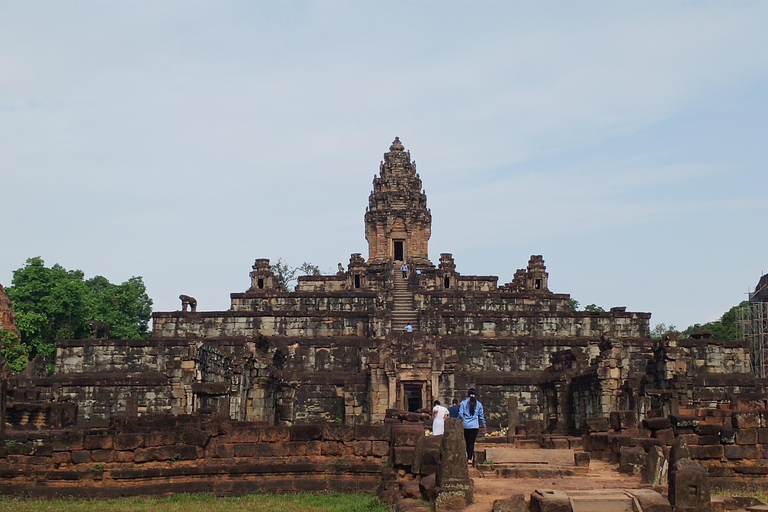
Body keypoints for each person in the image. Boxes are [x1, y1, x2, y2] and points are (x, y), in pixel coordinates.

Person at [458, 388, 486, 463]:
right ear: (476, 396)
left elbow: (460, 414)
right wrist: (484, 426)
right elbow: (481, 416)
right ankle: (470, 457)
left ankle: (468, 455)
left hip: (466, 425)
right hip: (475, 426)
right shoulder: (479, 404)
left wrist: (462, 420)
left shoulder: (464, 403)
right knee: (471, 442)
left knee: (467, 441)